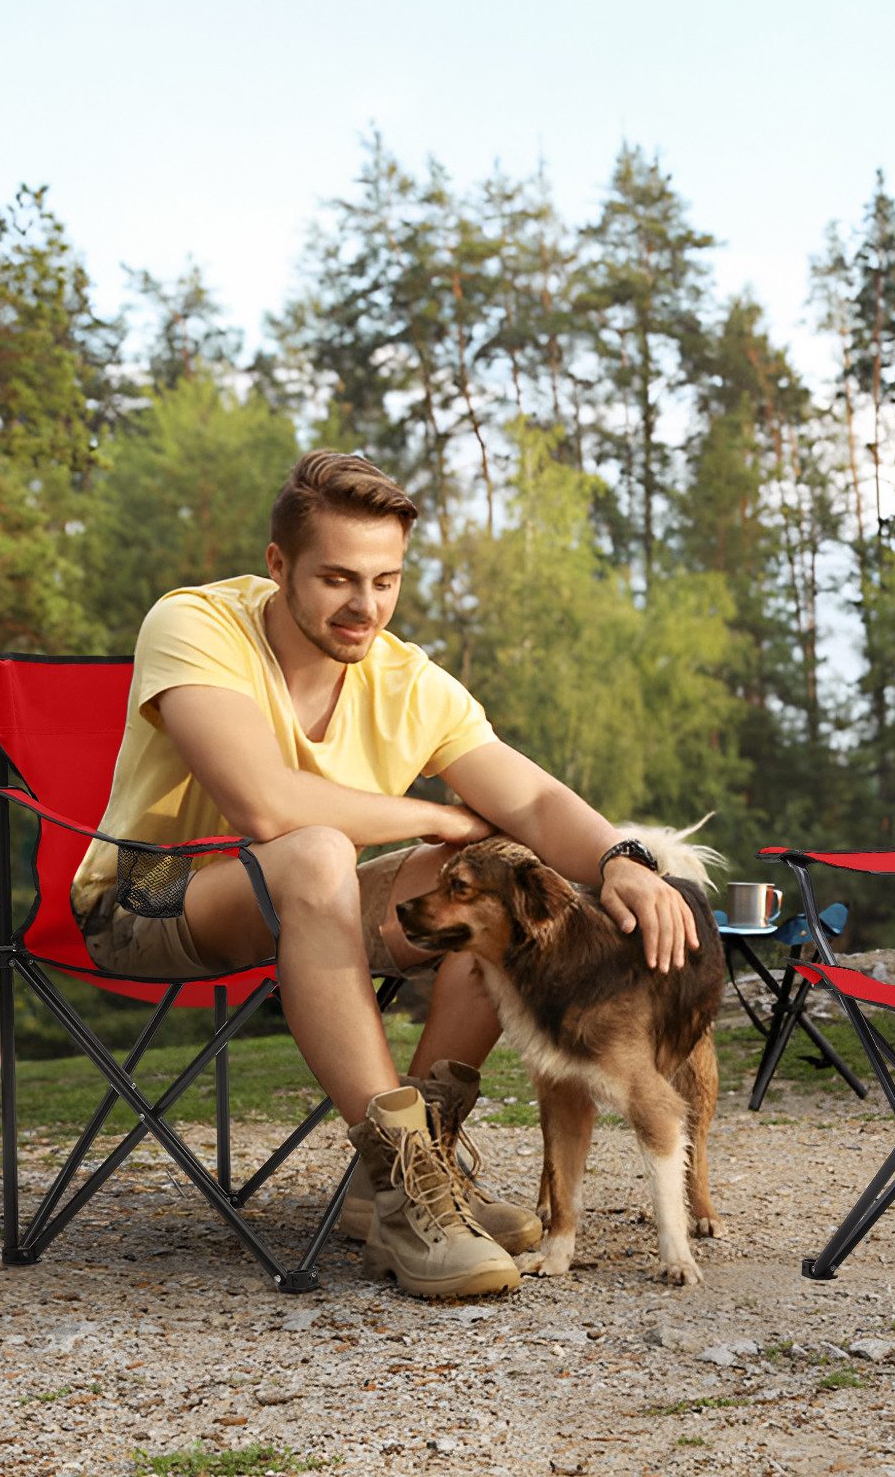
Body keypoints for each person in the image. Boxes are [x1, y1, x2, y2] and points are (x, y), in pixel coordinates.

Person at [69, 450, 700, 1298]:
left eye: (386, 580)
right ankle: (410, 1183)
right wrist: (438, 815)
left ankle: (401, 1179)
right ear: (278, 566)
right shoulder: (195, 623)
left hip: (301, 898)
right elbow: (263, 805)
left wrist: (625, 862)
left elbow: (539, 801)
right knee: (322, 847)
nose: (365, 606)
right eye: (336, 578)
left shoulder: (406, 679)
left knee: (495, 887)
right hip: (148, 901)